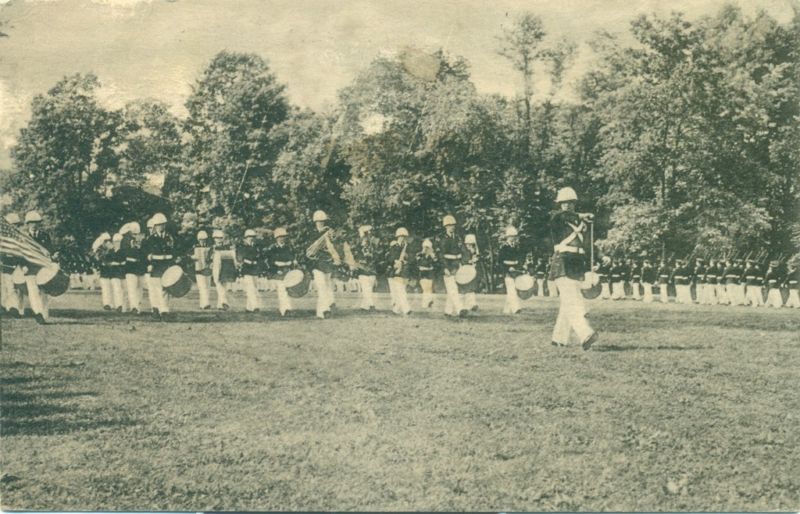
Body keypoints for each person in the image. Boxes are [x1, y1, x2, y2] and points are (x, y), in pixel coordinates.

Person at [548, 187, 598, 350]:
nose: (566, 205)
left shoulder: (582, 223)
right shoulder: (557, 218)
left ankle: (559, 338)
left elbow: (587, 245)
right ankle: (585, 334)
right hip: (562, 263)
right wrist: (581, 215)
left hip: (577, 264)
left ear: (574, 203)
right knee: (573, 302)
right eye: (563, 203)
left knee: (567, 303)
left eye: (569, 202)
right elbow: (562, 217)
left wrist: (594, 261)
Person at [307, 210, 339, 319]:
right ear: (315, 222)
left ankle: (321, 311)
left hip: (327, 263)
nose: (321, 223)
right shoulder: (311, 234)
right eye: (318, 221)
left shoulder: (329, 232)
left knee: (326, 287)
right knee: (321, 287)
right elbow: (309, 250)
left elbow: (334, 246)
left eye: (323, 221)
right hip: (317, 264)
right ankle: (325, 310)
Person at [22, 211, 53, 323]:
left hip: (42, 267)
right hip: (29, 267)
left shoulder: (45, 236)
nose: (34, 225)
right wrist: (23, 265)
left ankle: (44, 314)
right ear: (27, 224)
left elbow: (50, 250)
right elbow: (21, 253)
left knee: (44, 292)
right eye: (31, 223)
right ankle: (38, 313)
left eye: (36, 223)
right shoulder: (24, 237)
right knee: (33, 292)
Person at [144, 212, 174, 318]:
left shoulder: (169, 238)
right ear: (155, 226)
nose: (161, 226)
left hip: (166, 266)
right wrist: (149, 264)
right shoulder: (151, 239)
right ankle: (155, 308)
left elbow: (173, 252)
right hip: (155, 266)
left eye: (163, 224)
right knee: (155, 289)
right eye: (159, 224)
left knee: (165, 288)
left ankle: (164, 309)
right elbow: (146, 254)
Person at [436, 215, 467, 317]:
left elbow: (463, 250)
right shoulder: (442, 239)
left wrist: (463, 262)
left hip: (457, 266)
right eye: (449, 225)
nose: (452, 227)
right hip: (448, 266)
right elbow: (440, 255)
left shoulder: (458, 238)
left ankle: (448, 311)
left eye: (453, 225)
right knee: (453, 288)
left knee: (452, 289)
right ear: (445, 226)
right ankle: (460, 309)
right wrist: (444, 268)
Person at [268, 227, 296, 317]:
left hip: (287, 271)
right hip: (278, 271)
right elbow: (271, 261)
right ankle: (285, 309)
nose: (282, 238)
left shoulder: (288, 248)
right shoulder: (272, 248)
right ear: (276, 238)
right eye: (280, 237)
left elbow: (292, 258)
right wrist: (277, 268)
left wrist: (291, 263)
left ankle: (286, 308)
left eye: (283, 237)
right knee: (281, 290)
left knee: (286, 290)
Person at [349, 225, 379, 312]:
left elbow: (376, 255)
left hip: (371, 269)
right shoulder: (358, 245)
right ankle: (371, 305)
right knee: (366, 287)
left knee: (369, 287)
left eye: (370, 232)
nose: (369, 234)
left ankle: (364, 306)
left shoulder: (373, 245)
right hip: (363, 269)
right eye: (367, 233)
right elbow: (355, 254)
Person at [498, 226, 524, 314]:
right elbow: (500, 261)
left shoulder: (517, 247)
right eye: (511, 236)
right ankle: (516, 308)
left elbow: (520, 260)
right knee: (511, 289)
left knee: (512, 290)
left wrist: (519, 268)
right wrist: (508, 268)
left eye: (514, 236)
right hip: (507, 271)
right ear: (507, 237)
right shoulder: (503, 248)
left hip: (515, 271)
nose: (513, 238)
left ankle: (506, 310)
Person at [1, 212, 24, 316]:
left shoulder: (20, 238)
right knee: (7, 286)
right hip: (5, 265)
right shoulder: (3, 238)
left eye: (17, 225)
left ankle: (17, 308)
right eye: (13, 225)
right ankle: (10, 307)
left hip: (17, 265)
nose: (15, 227)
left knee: (17, 288)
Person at [386, 227, 412, 315]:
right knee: (401, 290)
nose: (403, 238)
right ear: (397, 237)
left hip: (404, 271)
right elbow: (389, 258)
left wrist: (405, 261)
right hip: (395, 271)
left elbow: (410, 258)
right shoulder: (394, 247)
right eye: (401, 236)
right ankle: (406, 309)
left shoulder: (407, 247)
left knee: (401, 290)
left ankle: (396, 309)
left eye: (404, 237)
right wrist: (395, 261)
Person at [121, 222, 146, 314]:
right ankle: (134, 307)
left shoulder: (142, 240)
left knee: (139, 288)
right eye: (134, 233)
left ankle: (137, 306)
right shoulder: (125, 240)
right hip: (130, 266)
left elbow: (144, 252)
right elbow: (124, 252)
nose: (136, 235)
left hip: (139, 266)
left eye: (137, 233)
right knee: (132, 287)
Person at [211, 229, 236, 310]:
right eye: (217, 238)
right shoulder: (212, 248)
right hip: (215, 268)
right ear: (214, 238)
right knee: (218, 284)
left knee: (223, 286)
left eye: (220, 238)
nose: (219, 239)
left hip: (224, 268)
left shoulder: (226, 247)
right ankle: (224, 302)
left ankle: (220, 304)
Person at [238, 229, 262, 313]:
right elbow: (240, 258)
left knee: (254, 288)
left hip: (254, 270)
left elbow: (259, 257)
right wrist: (249, 261)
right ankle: (255, 306)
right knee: (250, 288)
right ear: (245, 238)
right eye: (249, 237)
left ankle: (249, 307)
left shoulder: (256, 247)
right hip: (246, 270)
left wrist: (257, 262)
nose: (251, 238)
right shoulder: (242, 247)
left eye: (253, 237)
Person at [92, 233, 113, 310]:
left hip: (111, 271)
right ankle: (107, 303)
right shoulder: (99, 250)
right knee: (106, 288)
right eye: (106, 241)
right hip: (104, 271)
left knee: (111, 287)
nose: (108, 242)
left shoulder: (111, 249)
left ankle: (111, 303)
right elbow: (99, 259)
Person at [192, 231, 212, 310]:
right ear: (198, 240)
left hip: (207, 269)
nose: (202, 241)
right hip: (198, 269)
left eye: (204, 239)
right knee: (202, 286)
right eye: (201, 239)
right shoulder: (195, 247)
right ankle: (205, 304)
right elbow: (190, 256)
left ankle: (203, 304)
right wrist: (193, 257)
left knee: (207, 286)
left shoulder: (209, 247)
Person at [108, 233, 128, 312]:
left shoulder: (124, 251)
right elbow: (107, 262)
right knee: (117, 289)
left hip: (123, 273)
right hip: (114, 273)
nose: (118, 243)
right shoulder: (111, 252)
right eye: (116, 241)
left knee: (125, 290)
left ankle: (124, 306)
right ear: (113, 242)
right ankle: (118, 305)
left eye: (119, 241)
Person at [416, 238, 437, 310]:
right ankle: (426, 302)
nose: (426, 249)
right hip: (422, 273)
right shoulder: (419, 255)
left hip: (429, 272)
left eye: (427, 247)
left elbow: (436, 263)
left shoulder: (432, 256)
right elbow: (417, 263)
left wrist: (432, 255)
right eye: (425, 247)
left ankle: (428, 302)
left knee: (429, 288)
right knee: (425, 288)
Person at [462, 234, 480, 311]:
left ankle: (472, 304)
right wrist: (470, 261)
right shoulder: (464, 251)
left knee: (472, 287)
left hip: (473, 270)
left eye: (471, 244)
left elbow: (477, 257)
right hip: (466, 270)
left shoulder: (474, 251)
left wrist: (476, 260)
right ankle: (468, 305)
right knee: (468, 287)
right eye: (468, 244)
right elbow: (463, 260)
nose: (469, 245)